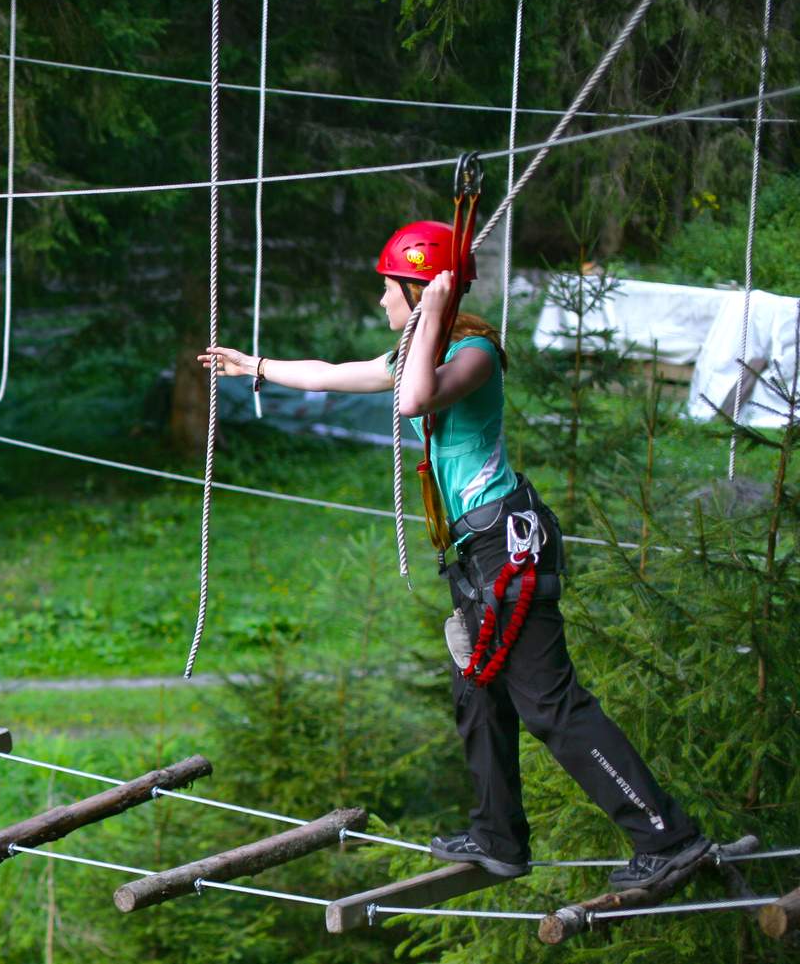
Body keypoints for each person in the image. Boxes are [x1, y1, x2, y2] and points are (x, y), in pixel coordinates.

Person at [199, 220, 708, 891]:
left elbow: (415, 397)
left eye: (391, 290)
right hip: (475, 556)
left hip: (507, 548)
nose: (382, 303)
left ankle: (667, 835)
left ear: (417, 292)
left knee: (549, 704)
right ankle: (499, 836)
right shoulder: (416, 351)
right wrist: (254, 365)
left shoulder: (473, 353)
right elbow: (335, 374)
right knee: (477, 695)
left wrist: (437, 310)